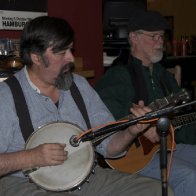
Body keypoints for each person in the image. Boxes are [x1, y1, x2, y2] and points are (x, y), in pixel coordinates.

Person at [0, 16, 174, 196]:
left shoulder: (80, 86)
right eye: (61, 52)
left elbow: (109, 147)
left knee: (158, 191)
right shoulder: (6, 97)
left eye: (70, 49)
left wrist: (132, 131)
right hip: (27, 184)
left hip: (86, 178)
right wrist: (31, 157)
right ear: (36, 57)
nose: (71, 58)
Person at [95, 10, 196, 196]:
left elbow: (184, 120)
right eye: (153, 36)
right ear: (134, 37)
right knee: (190, 177)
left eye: (161, 36)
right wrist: (139, 124)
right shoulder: (119, 74)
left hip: (170, 147)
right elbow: (100, 112)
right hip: (137, 157)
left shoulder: (165, 77)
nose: (160, 42)